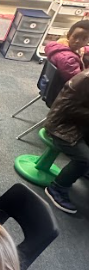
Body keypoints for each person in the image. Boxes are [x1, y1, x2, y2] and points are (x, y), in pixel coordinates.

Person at [44, 68, 89, 214]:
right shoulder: (85, 79)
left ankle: (83, 172)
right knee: (85, 159)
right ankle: (57, 188)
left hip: (81, 124)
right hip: (62, 126)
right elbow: (69, 109)